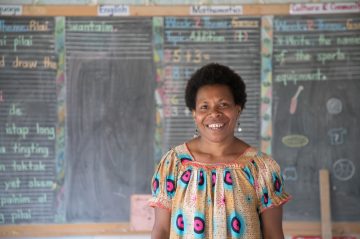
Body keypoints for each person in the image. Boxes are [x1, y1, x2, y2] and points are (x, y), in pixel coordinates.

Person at [149, 63, 291, 239]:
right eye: (204, 106)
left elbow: (274, 234)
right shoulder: (174, 164)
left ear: (237, 110)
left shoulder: (262, 168)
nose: (214, 113)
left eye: (223, 104)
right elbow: (161, 231)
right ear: (194, 113)